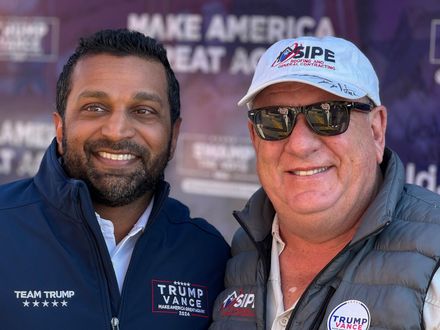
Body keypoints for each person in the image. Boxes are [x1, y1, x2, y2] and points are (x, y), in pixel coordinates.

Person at [0, 29, 229, 330]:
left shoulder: (208, 254)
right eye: (95, 107)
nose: (117, 130)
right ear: (59, 127)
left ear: (173, 135)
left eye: (144, 111)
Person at [210, 36, 440, 329]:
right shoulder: (238, 255)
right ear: (255, 138)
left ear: (376, 131)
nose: (300, 145)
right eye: (274, 119)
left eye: (329, 115)